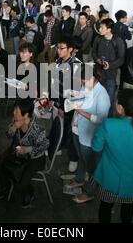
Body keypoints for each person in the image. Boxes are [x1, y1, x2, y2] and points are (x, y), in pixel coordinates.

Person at [92, 89, 133, 223]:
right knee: (127, 208)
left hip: (108, 179)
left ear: (120, 108)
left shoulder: (108, 124)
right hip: (130, 181)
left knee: (105, 208)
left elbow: (96, 147)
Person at [68, 65, 111, 203]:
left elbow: (102, 119)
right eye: (81, 80)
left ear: (95, 77)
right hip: (77, 129)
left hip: (89, 134)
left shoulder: (102, 94)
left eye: (85, 79)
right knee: (81, 157)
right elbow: (80, 100)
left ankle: (89, 191)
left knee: (92, 165)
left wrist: (82, 112)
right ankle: (80, 178)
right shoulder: (86, 86)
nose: (82, 82)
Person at [0, 99, 49, 208]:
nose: (14, 113)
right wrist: (14, 128)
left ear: (26, 115)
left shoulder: (37, 127)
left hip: (35, 158)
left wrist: (27, 149)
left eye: (16, 111)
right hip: (17, 151)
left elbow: (45, 145)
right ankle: (5, 187)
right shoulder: (16, 119)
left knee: (19, 186)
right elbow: (8, 135)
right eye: (14, 110)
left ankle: (30, 191)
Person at [52, 38, 82, 173]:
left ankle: (73, 158)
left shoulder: (77, 65)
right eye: (58, 48)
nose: (59, 51)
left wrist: (63, 107)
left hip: (70, 105)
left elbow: (75, 92)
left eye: (62, 48)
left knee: (70, 131)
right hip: (59, 102)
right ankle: (58, 146)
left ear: (70, 49)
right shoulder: (58, 61)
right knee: (58, 126)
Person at [92, 18, 125, 115]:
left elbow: (121, 59)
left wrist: (110, 65)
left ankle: (108, 119)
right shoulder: (98, 38)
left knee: (109, 99)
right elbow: (93, 52)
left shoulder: (118, 41)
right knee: (96, 97)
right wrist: (97, 59)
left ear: (109, 29)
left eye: (102, 28)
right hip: (98, 73)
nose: (99, 29)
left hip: (111, 75)